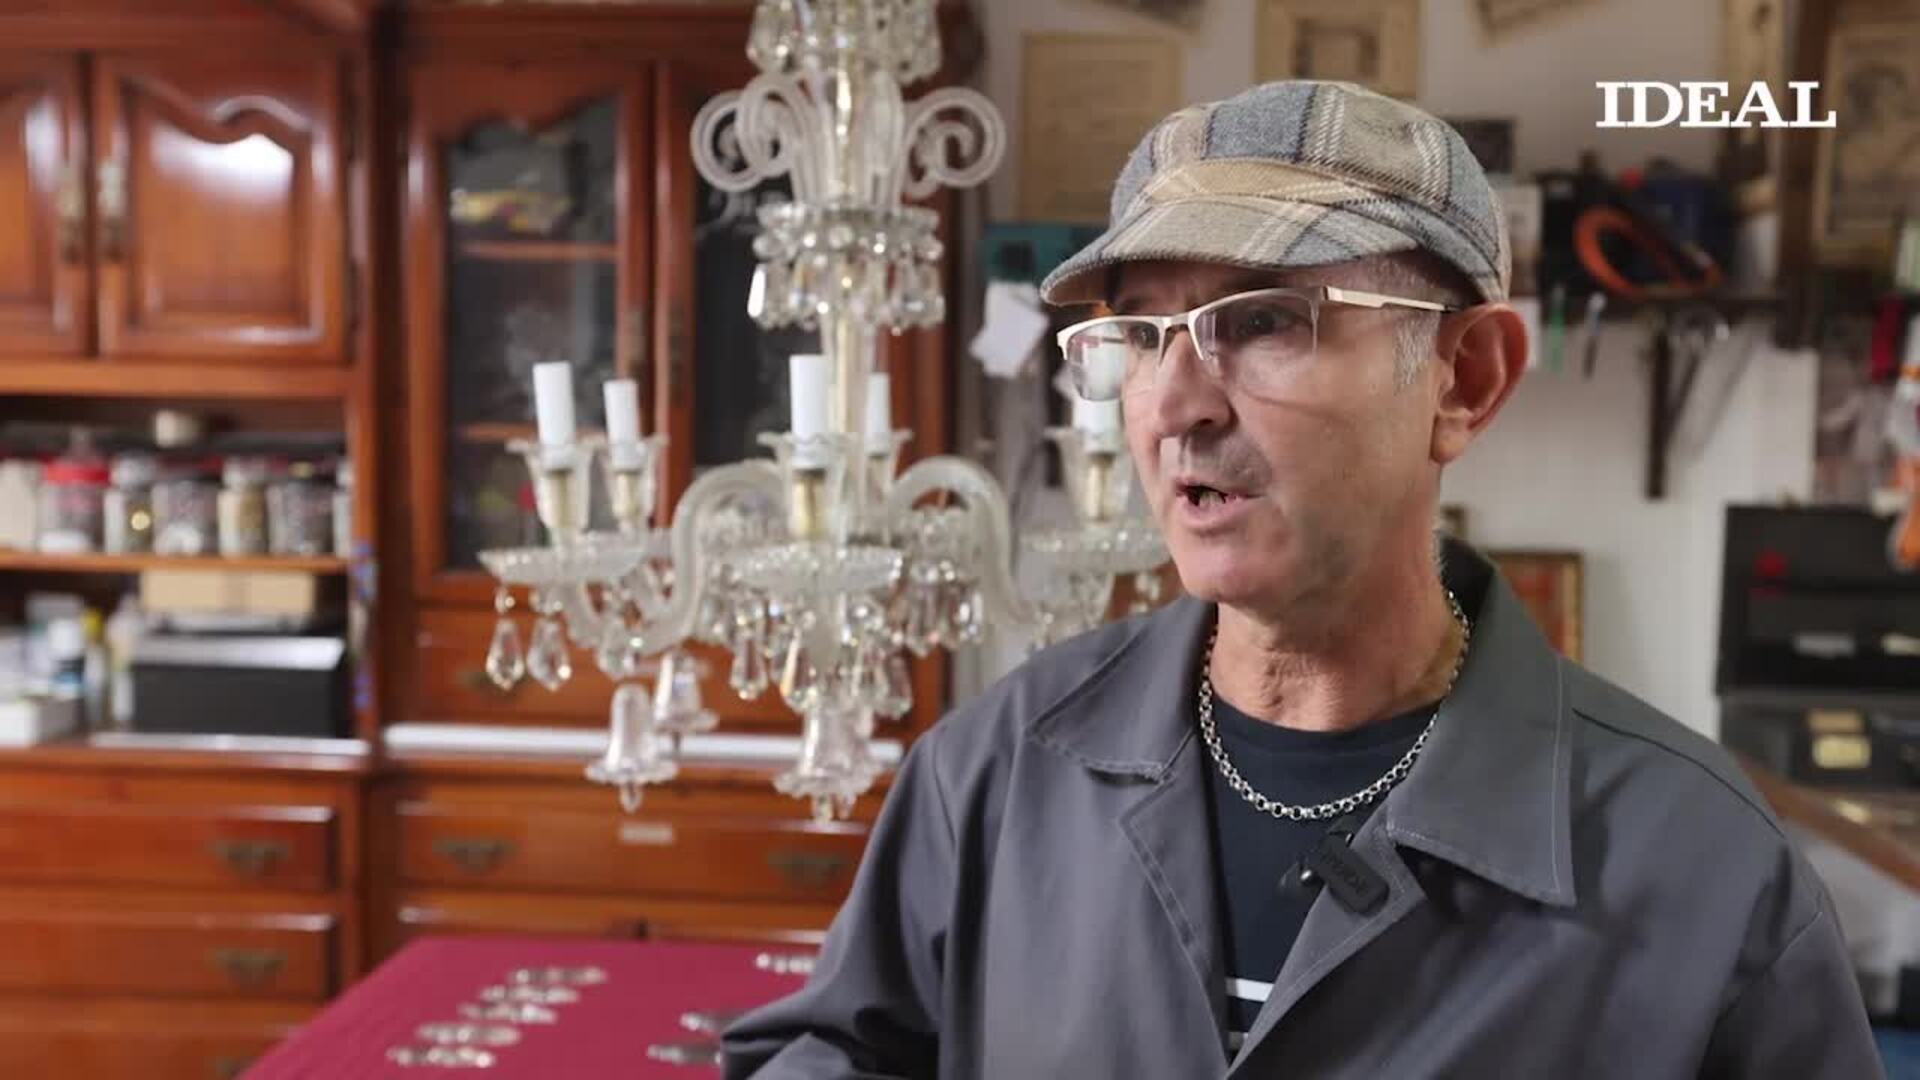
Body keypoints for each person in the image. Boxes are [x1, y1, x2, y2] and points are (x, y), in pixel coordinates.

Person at [721, 80, 1882, 1078]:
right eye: (1141, 336)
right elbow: (832, 1050)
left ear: (1466, 378)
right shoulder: (993, 777)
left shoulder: (1703, 870)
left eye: (1264, 320)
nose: (1176, 406)